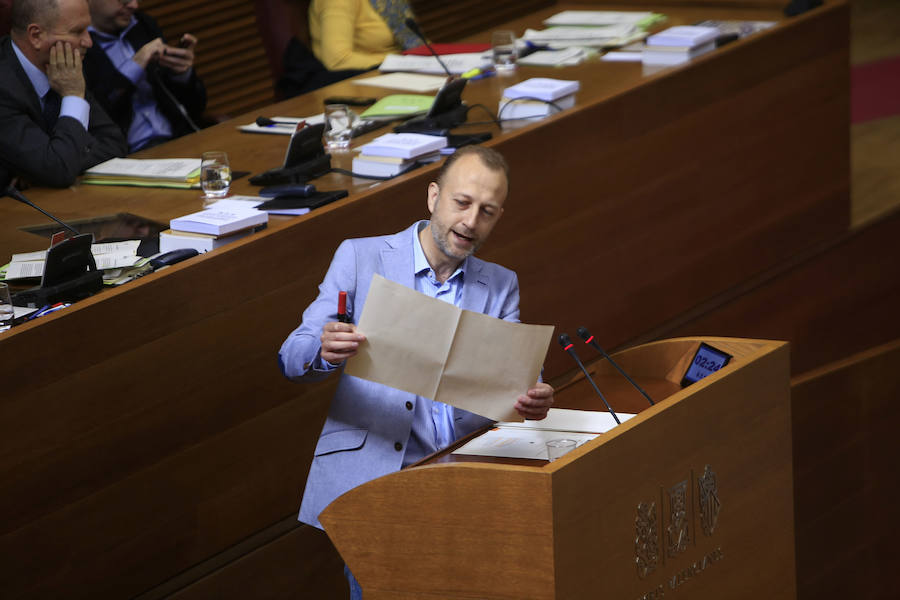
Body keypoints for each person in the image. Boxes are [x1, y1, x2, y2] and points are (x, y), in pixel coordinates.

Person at [278, 145, 554, 597]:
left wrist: (534, 395)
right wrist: (325, 352)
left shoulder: (500, 283)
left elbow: (523, 375)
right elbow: (293, 355)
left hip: (465, 484)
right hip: (376, 482)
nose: (470, 222)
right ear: (433, 197)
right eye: (461, 203)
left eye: (486, 212)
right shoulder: (361, 258)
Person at [0, 0, 127, 189]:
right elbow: (58, 170)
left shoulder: (66, 67)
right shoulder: (4, 86)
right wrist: (73, 95)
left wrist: (42, 170)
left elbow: (114, 142)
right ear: (36, 36)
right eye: (77, 32)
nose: (88, 42)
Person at [82, 0, 206, 152]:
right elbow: (95, 115)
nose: (134, 5)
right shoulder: (79, 44)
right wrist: (135, 65)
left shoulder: (142, 24)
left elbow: (196, 107)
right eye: (124, 0)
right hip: (127, 155)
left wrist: (181, 74)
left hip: (178, 139)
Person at [308, 0, 420, 71]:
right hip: (365, 77)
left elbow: (411, 39)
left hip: (403, 68)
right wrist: (400, 65)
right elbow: (338, 60)